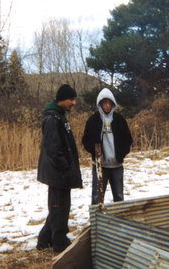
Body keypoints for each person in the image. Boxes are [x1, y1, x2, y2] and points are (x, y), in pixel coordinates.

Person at [36, 84, 82, 253]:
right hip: (58, 173)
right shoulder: (51, 119)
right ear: (62, 99)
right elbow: (52, 148)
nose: (73, 102)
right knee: (59, 207)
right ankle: (60, 242)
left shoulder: (59, 116)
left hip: (61, 173)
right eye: (71, 99)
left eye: (74, 99)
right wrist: (65, 169)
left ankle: (44, 240)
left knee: (58, 206)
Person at [82, 88, 133, 205]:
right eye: (104, 102)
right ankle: (96, 221)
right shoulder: (93, 120)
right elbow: (85, 140)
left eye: (109, 102)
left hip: (117, 165)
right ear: (100, 103)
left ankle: (119, 221)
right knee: (97, 197)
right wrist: (94, 153)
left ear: (113, 103)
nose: (107, 105)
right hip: (100, 166)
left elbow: (128, 139)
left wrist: (122, 153)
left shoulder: (119, 120)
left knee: (119, 197)